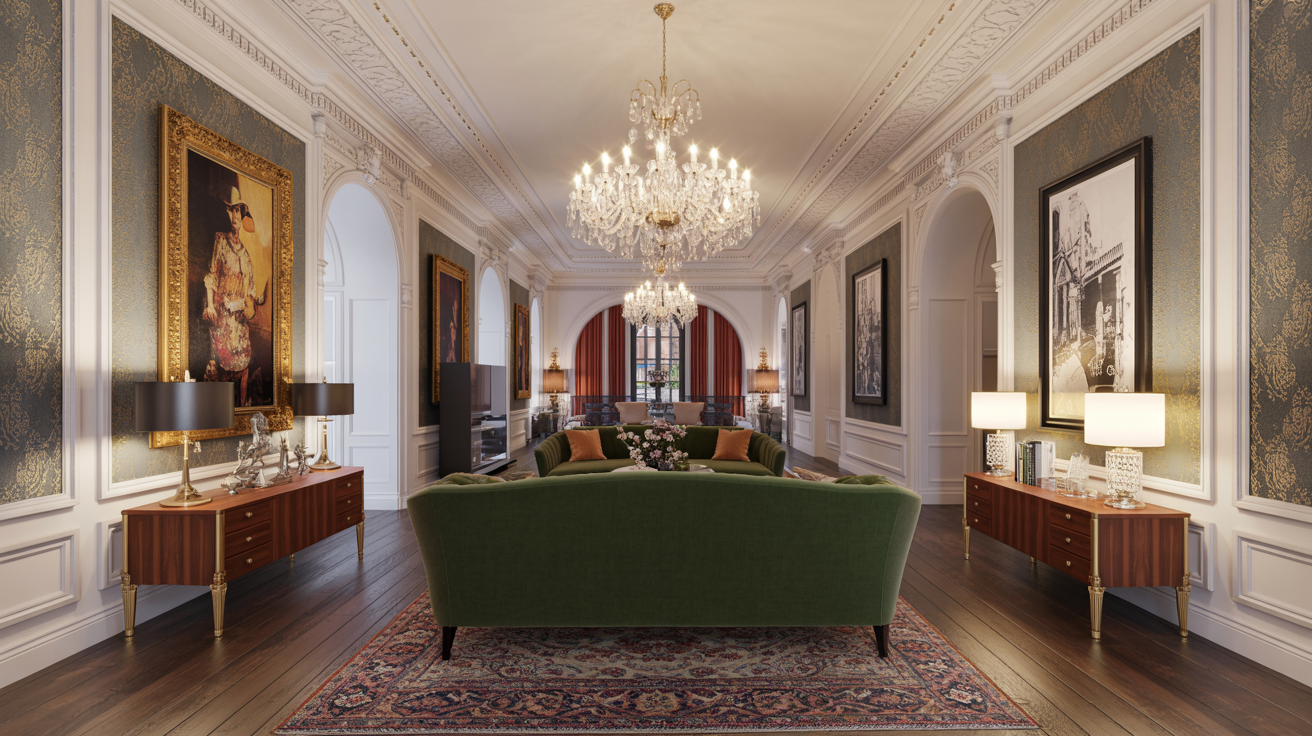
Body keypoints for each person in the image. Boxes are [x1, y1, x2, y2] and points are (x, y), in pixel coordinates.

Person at [203, 186, 266, 406]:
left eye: (238, 211)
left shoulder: (246, 256)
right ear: (228, 213)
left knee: (244, 367)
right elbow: (212, 274)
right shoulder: (220, 241)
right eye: (232, 211)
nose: (235, 216)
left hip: (239, 323)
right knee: (223, 368)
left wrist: (249, 305)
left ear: (243, 214)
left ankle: (241, 412)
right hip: (222, 318)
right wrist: (211, 305)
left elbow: (251, 293)